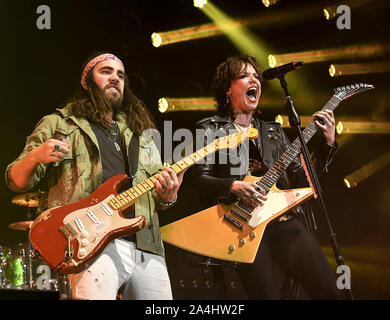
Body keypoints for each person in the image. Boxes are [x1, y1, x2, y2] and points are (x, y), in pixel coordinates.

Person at [5, 52, 185, 300]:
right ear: (86, 81)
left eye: (120, 75)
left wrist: (168, 196)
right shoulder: (59, 124)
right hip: (91, 245)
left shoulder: (141, 132)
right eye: (106, 72)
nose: (115, 78)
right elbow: (16, 180)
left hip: (147, 246)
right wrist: (35, 156)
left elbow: (160, 198)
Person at [192, 55, 340, 299]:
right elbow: (199, 180)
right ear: (227, 89)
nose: (254, 80)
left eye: (256, 76)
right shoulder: (209, 129)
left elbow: (303, 181)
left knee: (329, 292)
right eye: (244, 76)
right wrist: (234, 186)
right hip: (243, 228)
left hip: (283, 220)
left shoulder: (273, 132)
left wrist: (327, 144)